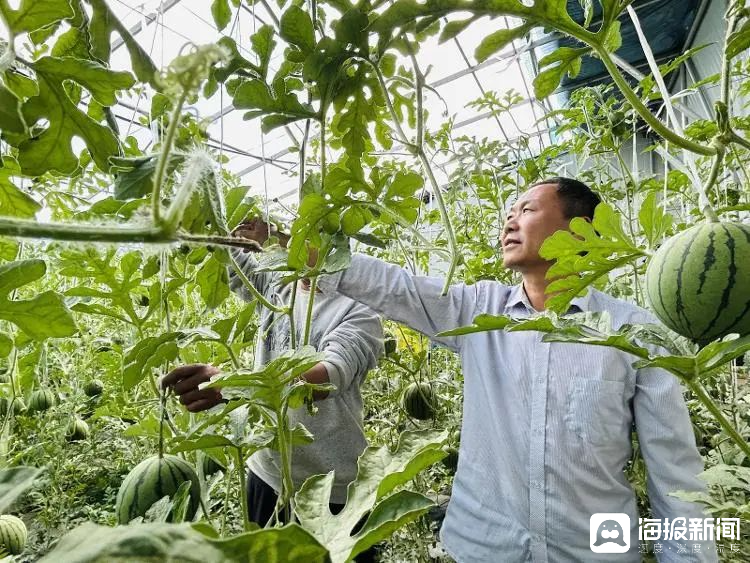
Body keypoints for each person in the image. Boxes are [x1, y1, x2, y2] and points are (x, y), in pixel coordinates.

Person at [312, 177, 717, 562]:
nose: (510, 220)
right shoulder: (478, 311)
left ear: (580, 231)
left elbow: (677, 479)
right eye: (509, 211)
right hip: (484, 548)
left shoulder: (635, 333)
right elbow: (392, 286)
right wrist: (302, 251)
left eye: (527, 209)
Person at [162, 218, 384, 553]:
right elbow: (239, 269)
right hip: (267, 472)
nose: (302, 245)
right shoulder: (281, 285)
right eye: (299, 235)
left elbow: (328, 375)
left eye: (318, 239)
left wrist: (233, 385)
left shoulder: (361, 312)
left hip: (331, 488)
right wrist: (215, 225)